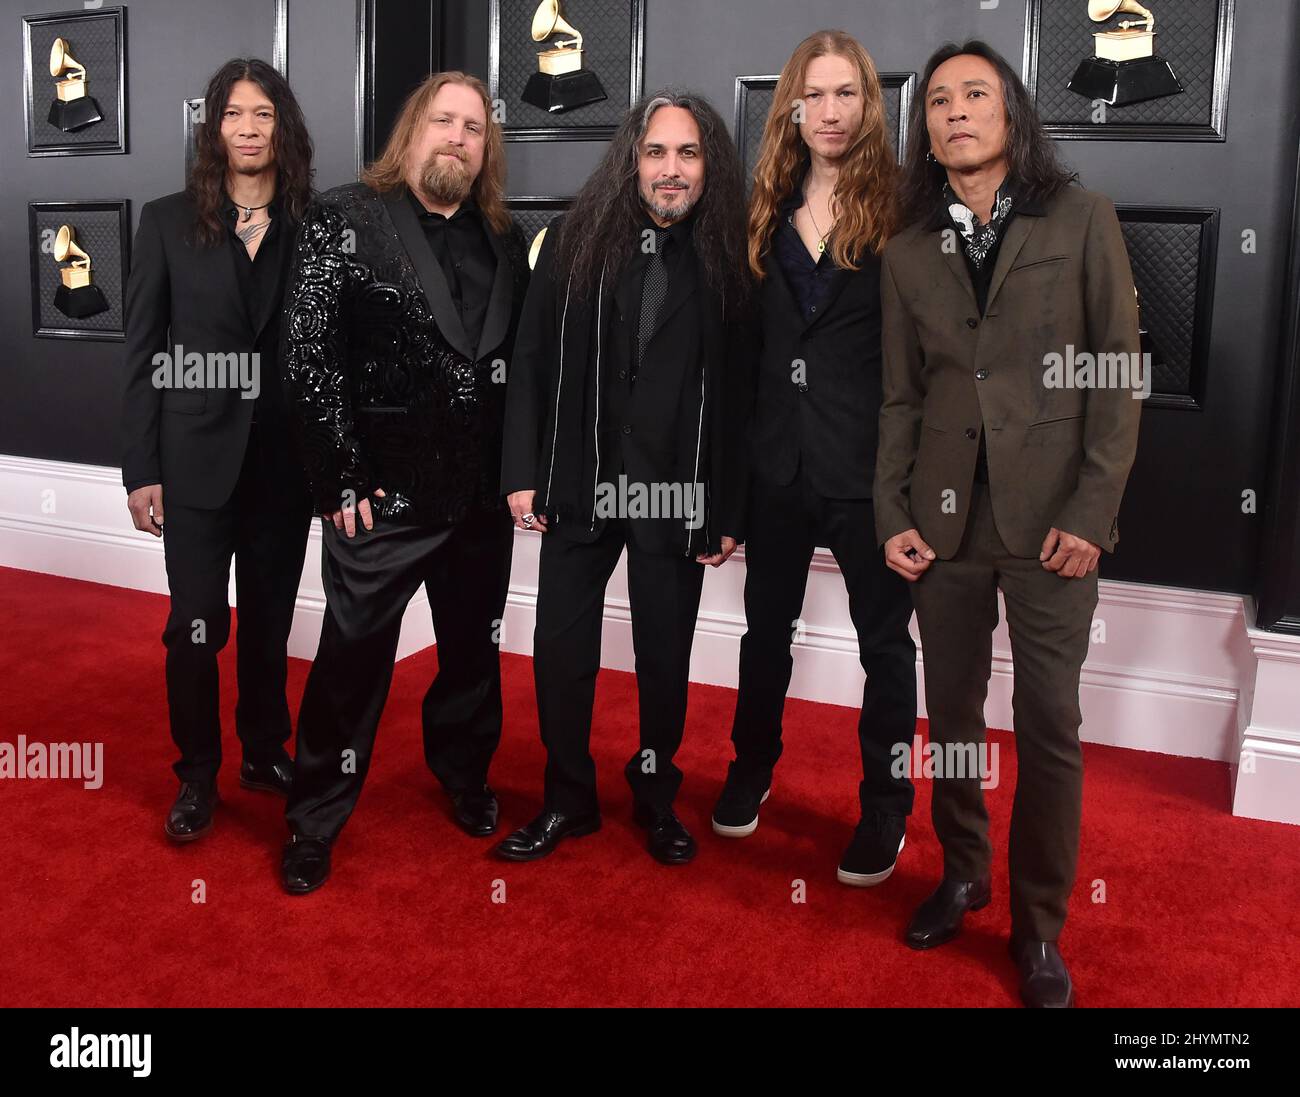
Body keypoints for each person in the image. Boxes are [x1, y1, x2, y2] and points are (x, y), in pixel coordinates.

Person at [876, 41, 1143, 1007]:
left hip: (1053, 529)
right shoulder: (907, 250)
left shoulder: (1082, 220)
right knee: (949, 722)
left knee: (1050, 724)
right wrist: (890, 509)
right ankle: (961, 872)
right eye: (939, 101)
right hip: (943, 525)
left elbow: (1117, 372)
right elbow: (901, 398)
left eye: (974, 95)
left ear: (1011, 114)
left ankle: (1038, 925)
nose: (954, 112)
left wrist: (1092, 510)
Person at [278, 72, 529, 894]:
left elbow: (517, 369)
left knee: (470, 656)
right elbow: (309, 355)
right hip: (377, 502)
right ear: (411, 132)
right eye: (443, 121)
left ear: (485, 148)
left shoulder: (504, 234)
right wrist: (339, 475)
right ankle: (314, 815)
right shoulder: (343, 217)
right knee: (350, 663)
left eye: (474, 128)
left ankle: (462, 774)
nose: (458, 136)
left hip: (480, 502)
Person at [496, 89, 751, 866]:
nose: (670, 171)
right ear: (631, 161)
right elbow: (530, 360)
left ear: (708, 165)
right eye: (655, 152)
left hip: (675, 492)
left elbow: (743, 395)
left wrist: (728, 506)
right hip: (578, 477)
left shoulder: (731, 259)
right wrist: (520, 471)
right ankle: (566, 800)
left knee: (664, 656)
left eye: (687, 153)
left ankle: (655, 798)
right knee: (559, 651)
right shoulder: (574, 242)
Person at [711, 30, 917, 890]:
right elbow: (737, 360)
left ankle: (886, 809)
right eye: (815, 96)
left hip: (869, 472)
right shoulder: (760, 208)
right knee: (766, 634)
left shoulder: (905, 211)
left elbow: (925, 358)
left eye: (847, 95)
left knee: (885, 649)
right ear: (791, 108)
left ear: (869, 105)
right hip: (777, 468)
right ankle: (751, 768)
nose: (830, 112)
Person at [121, 58, 315, 842]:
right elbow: (140, 351)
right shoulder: (167, 222)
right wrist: (141, 469)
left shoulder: (315, 224)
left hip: (282, 467)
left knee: (270, 624)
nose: (247, 128)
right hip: (194, 462)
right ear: (214, 127)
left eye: (262, 114)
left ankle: (264, 752)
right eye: (234, 114)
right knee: (195, 626)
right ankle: (196, 775)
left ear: (281, 127)